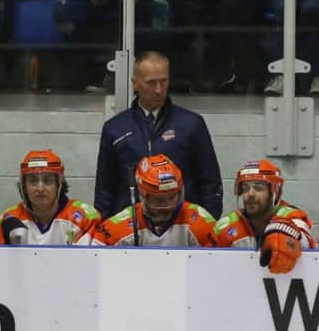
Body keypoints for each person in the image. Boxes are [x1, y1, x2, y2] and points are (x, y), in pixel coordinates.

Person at [94, 51, 223, 219]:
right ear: (135, 83)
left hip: (182, 227)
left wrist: (206, 228)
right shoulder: (115, 129)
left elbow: (210, 184)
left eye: (163, 81)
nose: (158, 89)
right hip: (130, 229)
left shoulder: (192, 125)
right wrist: (106, 232)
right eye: (151, 83)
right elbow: (104, 192)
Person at [212, 159, 316, 274]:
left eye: (258, 187)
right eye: (245, 188)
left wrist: (287, 234)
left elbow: (307, 242)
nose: (250, 194)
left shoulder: (292, 216)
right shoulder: (225, 227)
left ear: (274, 192)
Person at [91, 154, 216, 246]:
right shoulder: (119, 226)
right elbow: (94, 259)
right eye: (159, 200)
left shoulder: (200, 221)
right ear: (142, 195)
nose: (168, 206)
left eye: (173, 197)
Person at [0, 149, 100, 245]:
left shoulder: (84, 218)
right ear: (24, 186)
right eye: (33, 181)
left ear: (59, 184)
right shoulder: (8, 220)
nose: (40, 188)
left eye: (47, 181)